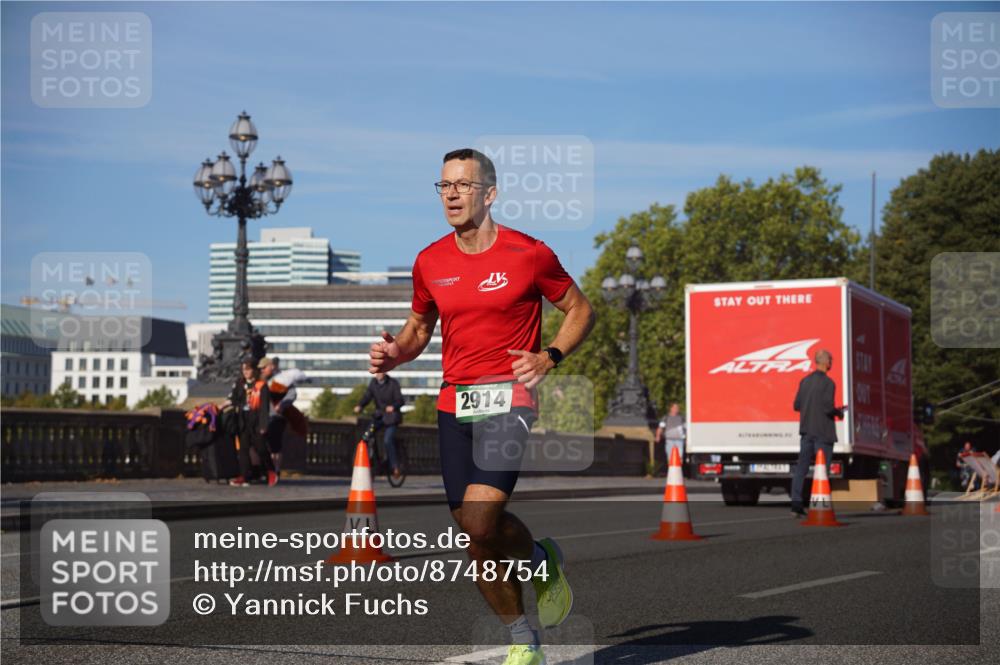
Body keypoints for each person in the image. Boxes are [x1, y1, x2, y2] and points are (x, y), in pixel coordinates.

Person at [367, 148, 595, 665]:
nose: (451, 193)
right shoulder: (430, 261)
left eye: (462, 185)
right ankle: (524, 637)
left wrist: (549, 355)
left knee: (479, 518)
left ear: (488, 193)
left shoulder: (529, 253)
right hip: (453, 404)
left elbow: (581, 308)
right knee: (475, 535)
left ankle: (538, 562)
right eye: (444, 185)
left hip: (509, 399)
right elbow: (420, 329)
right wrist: (393, 354)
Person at [790, 349, 844, 517]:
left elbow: (796, 405)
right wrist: (838, 412)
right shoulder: (829, 383)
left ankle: (796, 505)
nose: (831, 363)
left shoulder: (804, 381)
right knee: (822, 471)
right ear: (826, 362)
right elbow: (828, 407)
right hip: (823, 433)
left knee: (801, 469)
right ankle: (821, 506)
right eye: (831, 360)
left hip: (806, 432)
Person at [227, 358, 276, 487]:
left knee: (261, 448)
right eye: (243, 369)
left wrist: (263, 426)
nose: (245, 372)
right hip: (243, 422)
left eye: (248, 369)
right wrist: (220, 406)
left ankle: (271, 471)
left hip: (257, 422)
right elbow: (233, 399)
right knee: (243, 450)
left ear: (254, 370)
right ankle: (244, 476)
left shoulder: (261, 386)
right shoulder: (239, 384)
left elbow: (264, 408)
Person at [353, 371, 405, 481]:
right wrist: (360, 405)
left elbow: (400, 400)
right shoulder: (373, 383)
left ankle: (395, 467)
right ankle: (373, 463)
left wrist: (393, 407)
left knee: (387, 440)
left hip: (392, 418)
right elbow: (367, 396)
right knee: (366, 437)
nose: (379, 374)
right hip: (379, 417)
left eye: (381, 371)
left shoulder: (393, 383)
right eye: (377, 372)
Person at [260, 356, 298, 482]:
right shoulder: (260, 379)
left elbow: (292, 394)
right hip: (262, 416)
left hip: (277, 416)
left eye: (265, 368)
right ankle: (265, 470)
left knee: (275, 445)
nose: (263, 370)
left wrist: (281, 404)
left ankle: (275, 470)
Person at [656, 403, 686, 472]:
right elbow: (660, 427)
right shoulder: (666, 417)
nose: (676, 409)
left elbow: (686, 428)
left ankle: (678, 472)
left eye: (677, 408)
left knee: (680, 456)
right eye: (675, 408)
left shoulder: (681, 418)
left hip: (679, 440)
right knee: (670, 457)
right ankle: (671, 472)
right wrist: (658, 436)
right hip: (669, 440)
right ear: (671, 408)